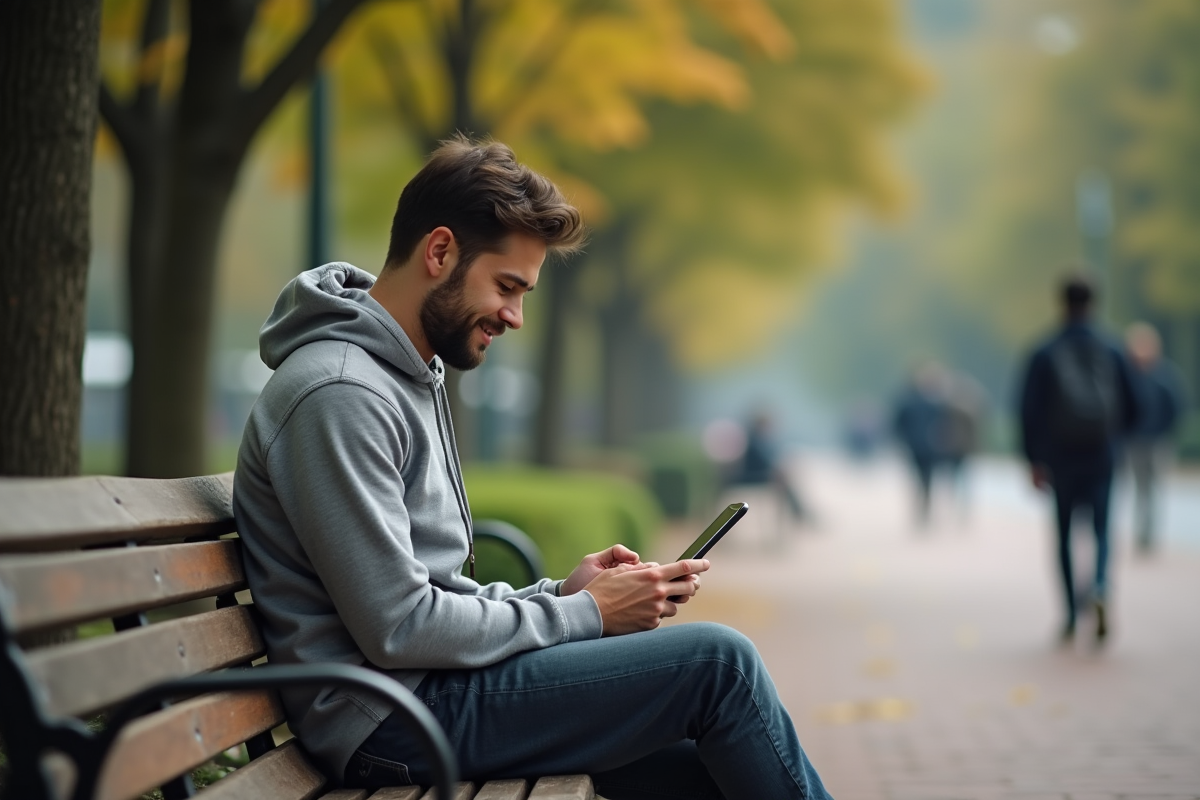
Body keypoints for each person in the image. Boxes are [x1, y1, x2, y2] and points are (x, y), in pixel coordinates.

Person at [232, 136, 831, 800]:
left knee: (709, 768)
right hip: (391, 723)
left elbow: (425, 597)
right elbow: (401, 626)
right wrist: (585, 615)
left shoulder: (398, 374)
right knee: (721, 666)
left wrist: (557, 597)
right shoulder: (341, 392)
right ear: (440, 253)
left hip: (423, 694)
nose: (515, 316)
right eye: (507, 286)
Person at [1016, 274, 1141, 644]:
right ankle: (1100, 586)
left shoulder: (1044, 350)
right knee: (1102, 531)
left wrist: (1034, 459)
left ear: (1061, 302)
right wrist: (1118, 441)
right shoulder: (1113, 348)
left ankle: (1071, 614)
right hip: (1102, 454)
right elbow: (1135, 404)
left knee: (1065, 535)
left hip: (1060, 458)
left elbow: (1028, 410)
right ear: (1094, 302)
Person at [1124, 322, 1186, 553]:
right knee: (1140, 488)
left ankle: (1150, 533)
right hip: (1136, 441)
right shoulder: (1130, 375)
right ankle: (1142, 532)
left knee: (1155, 487)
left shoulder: (1164, 375)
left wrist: (1167, 431)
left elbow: (1175, 406)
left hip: (1159, 440)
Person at [892, 361, 950, 527]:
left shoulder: (937, 401)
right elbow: (898, 424)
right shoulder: (908, 401)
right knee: (919, 479)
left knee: (929, 480)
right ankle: (920, 508)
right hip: (914, 447)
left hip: (931, 448)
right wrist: (903, 442)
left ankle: (925, 509)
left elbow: (944, 424)